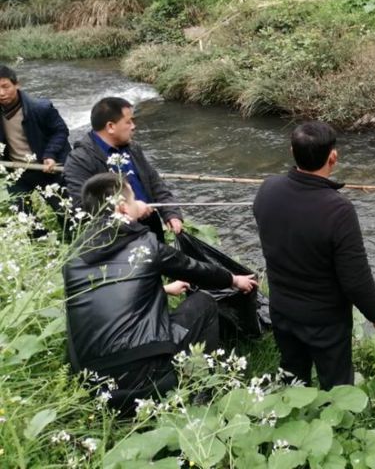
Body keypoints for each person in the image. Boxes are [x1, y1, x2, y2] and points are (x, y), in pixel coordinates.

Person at [63, 173, 258, 411]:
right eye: (133, 198)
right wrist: (233, 279)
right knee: (204, 302)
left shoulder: (73, 259)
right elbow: (195, 269)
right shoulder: (145, 245)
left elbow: (109, 293)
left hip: (94, 390)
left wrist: (163, 289)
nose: (138, 202)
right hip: (145, 382)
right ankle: (204, 389)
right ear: (122, 208)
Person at [253, 121, 375, 389]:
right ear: (333, 157)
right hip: (324, 320)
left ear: (292, 151)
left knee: (292, 374)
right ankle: (335, 415)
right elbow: (355, 277)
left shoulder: (268, 188)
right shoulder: (339, 210)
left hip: (281, 308)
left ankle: (293, 408)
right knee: (336, 384)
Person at [64, 96, 182, 242]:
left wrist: (171, 212)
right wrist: (132, 211)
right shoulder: (80, 160)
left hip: (150, 227)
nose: (133, 126)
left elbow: (154, 182)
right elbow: (82, 207)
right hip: (117, 238)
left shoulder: (133, 148)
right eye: (128, 122)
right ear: (110, 127)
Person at [0, 65, 70, 198]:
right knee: (19, 210)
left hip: (47, 168)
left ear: (17, 84)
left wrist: (50, 155)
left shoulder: (40, 108)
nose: (1, 93)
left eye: (5, 87)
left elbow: (60, 131)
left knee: (65, 207)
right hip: (16, 171)